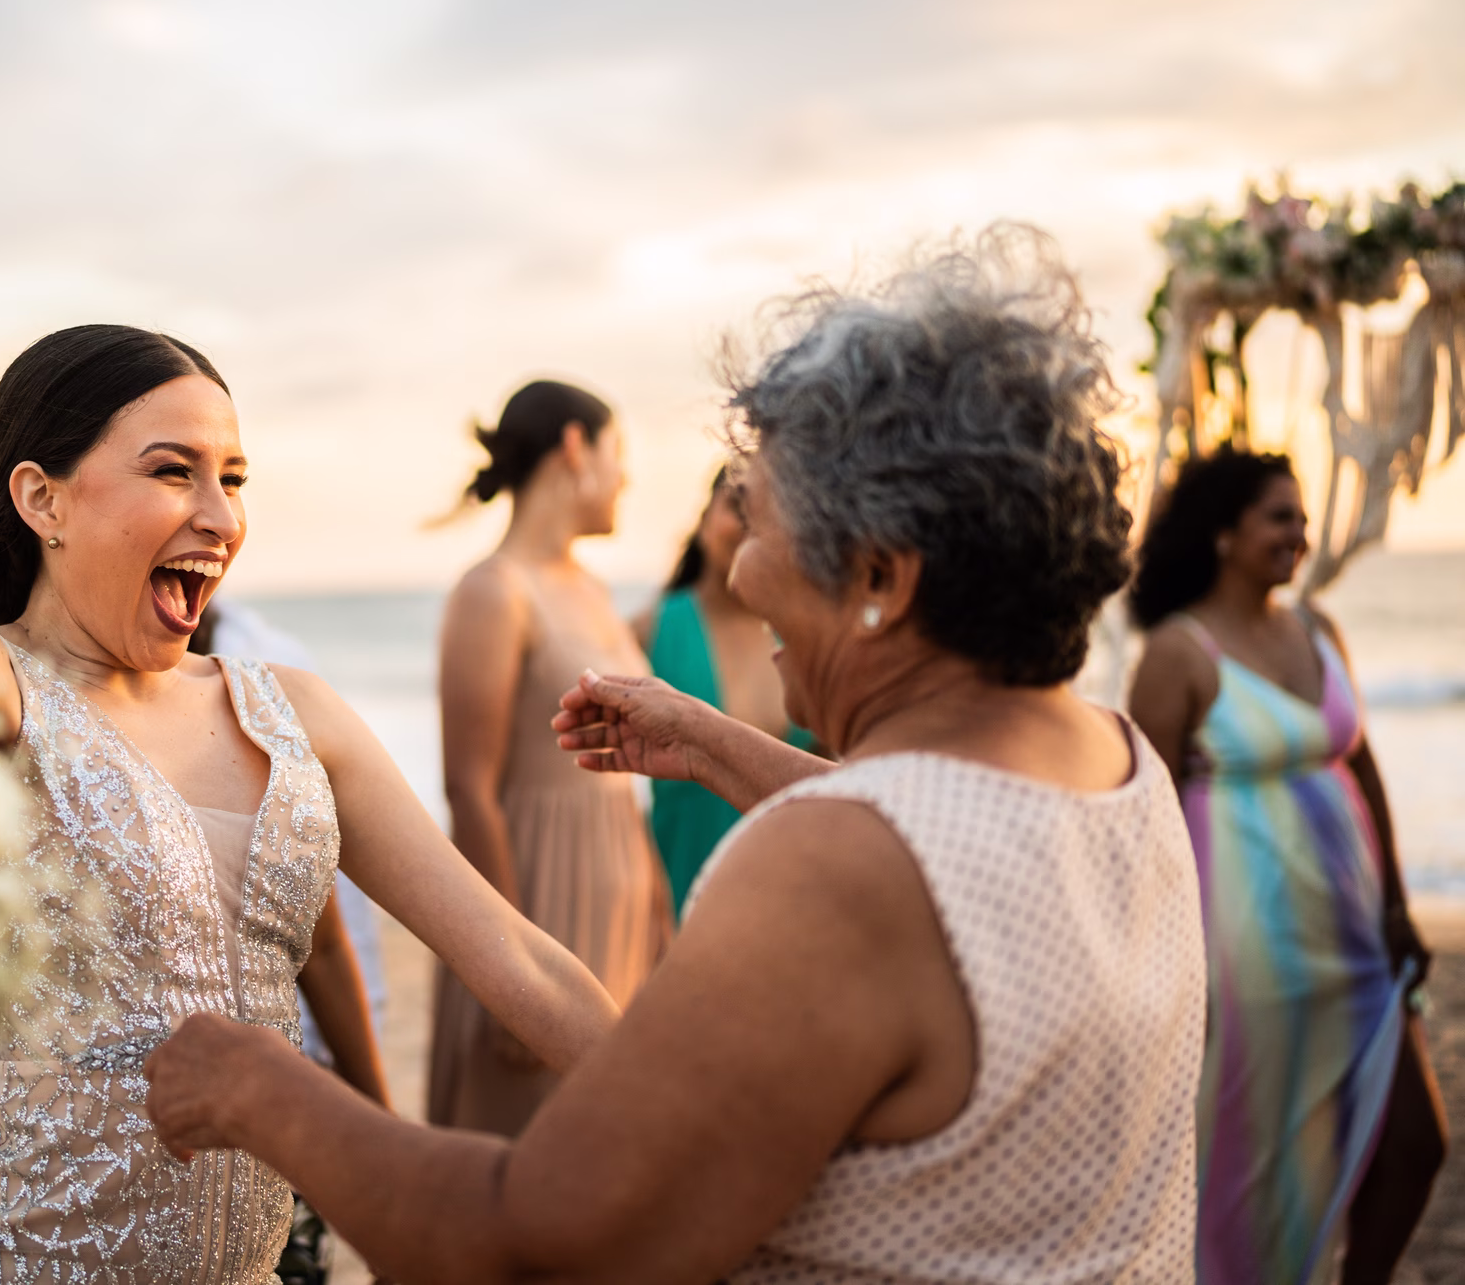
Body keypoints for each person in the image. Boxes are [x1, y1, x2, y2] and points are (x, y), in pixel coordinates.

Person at [145, 229, 1209, 1284]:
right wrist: (713, 745)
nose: (738, 572)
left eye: (764, 520)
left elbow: (533, 1241)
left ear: (881, 578)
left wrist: (263, 1088)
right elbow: (953, 847)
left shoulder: (836, 870)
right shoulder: (1117, 764)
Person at [0, 326, 620, 1285]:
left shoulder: (293, 715)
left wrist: (688, 1122)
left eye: (232, 480)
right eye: (172, 471)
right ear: (42, 498)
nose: (220, 517)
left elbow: (512, 950)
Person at [1127, 448, 1446, 1285]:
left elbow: (1364, 764)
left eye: (1302, 520)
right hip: (1245, 945)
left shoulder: (1317, 628)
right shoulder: (1177, 651)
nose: (1299, 536)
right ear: (1224, 533)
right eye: (1280, 517)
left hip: (1355, 926)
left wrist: (1399, 905)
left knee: (1417, 1139)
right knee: (1252, 1153)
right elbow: (1143, 814)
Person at [427, 379, 668, 1137]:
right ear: (574, 446)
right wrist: (511, 973)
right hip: (535, 902)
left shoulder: (591, 590)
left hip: (618, 896)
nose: (625, 476)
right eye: (616, 452)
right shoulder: (495, 592)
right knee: (519, 1157)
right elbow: (469, 788)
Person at [189, 596, 390, 1285]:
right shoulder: (20, 718)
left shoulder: (265, 720)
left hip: (269, 1145)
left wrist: (381, 1143)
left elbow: (327, 950)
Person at [637, 464, 818, 916]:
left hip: (795, 902)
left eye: (772, 513)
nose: (749, 526)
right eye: (737, 507)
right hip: (678, 900)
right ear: (702, 523)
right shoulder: (648, 630)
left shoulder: (808, 639)